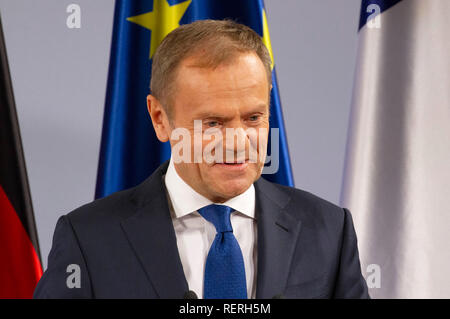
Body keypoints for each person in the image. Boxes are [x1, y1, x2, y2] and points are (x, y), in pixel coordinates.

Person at [33, 19, 369, 299]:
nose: (239, 142)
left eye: (253, 118)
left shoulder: (327, 230)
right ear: (160, 118)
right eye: (213, 123)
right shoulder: (89, 239)